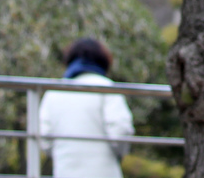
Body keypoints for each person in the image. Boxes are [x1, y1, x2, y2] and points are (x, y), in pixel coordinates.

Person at [37, 38, 134, 178]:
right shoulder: (107, 87)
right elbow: (121, 129)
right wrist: (120, 153)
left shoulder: (54, 92)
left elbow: (45, 140)